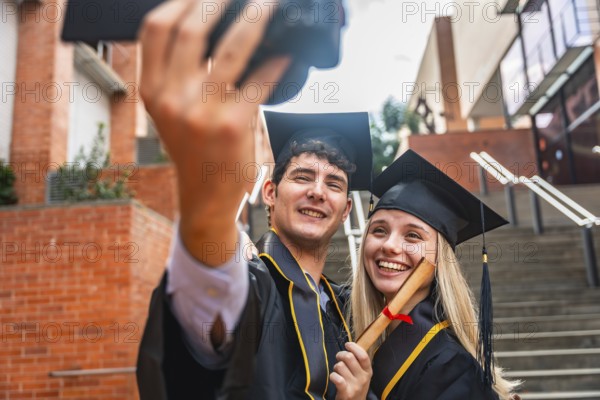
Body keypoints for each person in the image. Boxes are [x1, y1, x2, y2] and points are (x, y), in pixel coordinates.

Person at [134, 1, 372, 398]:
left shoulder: (343, 308)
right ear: (269, 193)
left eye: (334, 183)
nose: (317, 190)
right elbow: (208, 306)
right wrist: (205, 210)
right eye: (302, 176)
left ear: (347, 209)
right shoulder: (250, 286)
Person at [337, 150, 521, 399]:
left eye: (413, 235)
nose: (390, 245)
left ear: (440, 260)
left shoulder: (453, 368)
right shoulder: (346, 324)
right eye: (379, 230)